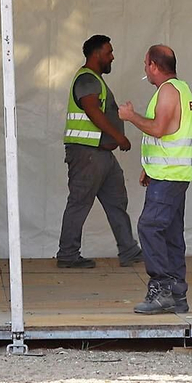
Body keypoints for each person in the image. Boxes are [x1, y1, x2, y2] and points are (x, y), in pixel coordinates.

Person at [117, 44, 192, 314]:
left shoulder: (168, 91)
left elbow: (159, 129)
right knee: (170, 233)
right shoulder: (182, 89)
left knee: (149, 227)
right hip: (172, 172)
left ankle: (161, 289)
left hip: (168, 175)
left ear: (153, 65)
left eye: (145, 64)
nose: (145, 69)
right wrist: (149, 167)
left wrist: (130, 117)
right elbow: (171, 132)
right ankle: (177, 294)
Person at [56, 35, 144, 269]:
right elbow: (93, 111)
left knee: (117, 200)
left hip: (101, 154)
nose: (112, 57)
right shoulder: (87, 79)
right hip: (87, 153)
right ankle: (68, 254)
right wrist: (119, 136)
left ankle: (129, 250)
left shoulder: (95, 80)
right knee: (80, 202)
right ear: (96, 54)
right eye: (108, 52)